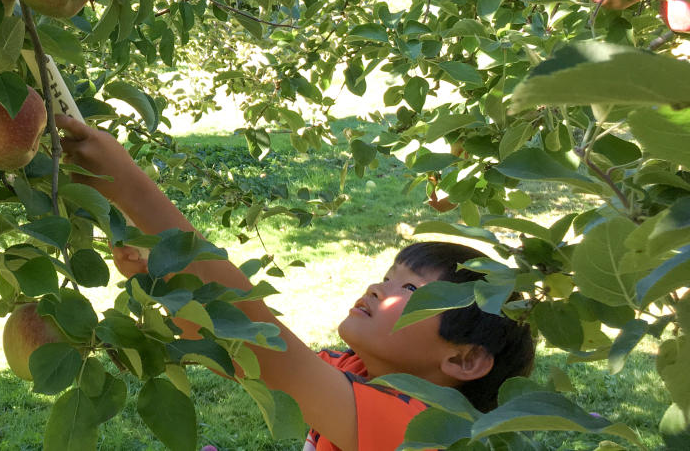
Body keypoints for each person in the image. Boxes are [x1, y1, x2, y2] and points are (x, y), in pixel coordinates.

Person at [56, 116, 535, 451]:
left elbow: (273, 356)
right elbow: (241, 352)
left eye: (410, 291)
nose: (376, 289)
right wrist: (165, 282)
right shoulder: (358, 370)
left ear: (465, 358)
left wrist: (130, 187)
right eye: (388, 277)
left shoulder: (427, 430)